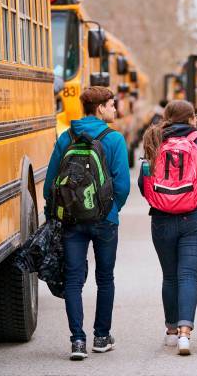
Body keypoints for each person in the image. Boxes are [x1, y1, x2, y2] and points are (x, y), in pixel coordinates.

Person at [43, 86, 131, 360]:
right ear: (101, 108)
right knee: (105, 278)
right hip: (105, 220)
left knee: (73, 279)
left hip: (71, 219)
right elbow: (123, 185)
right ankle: (101, 337)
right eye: (112, 105)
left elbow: (50, 185)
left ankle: (77, 341)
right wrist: (112, 210)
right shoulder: (114, 139)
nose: (115, 110)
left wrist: (55, 213)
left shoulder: (66, 137)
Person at [138, 100, 197, 355]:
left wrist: (164, 200)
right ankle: (186, 334)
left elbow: (144, 183)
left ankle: (171, 332)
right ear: (191, 118)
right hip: (195, 218)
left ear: (167, 117)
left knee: (170, 276)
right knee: (188, 276)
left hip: (161, 218)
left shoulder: (154, 137)